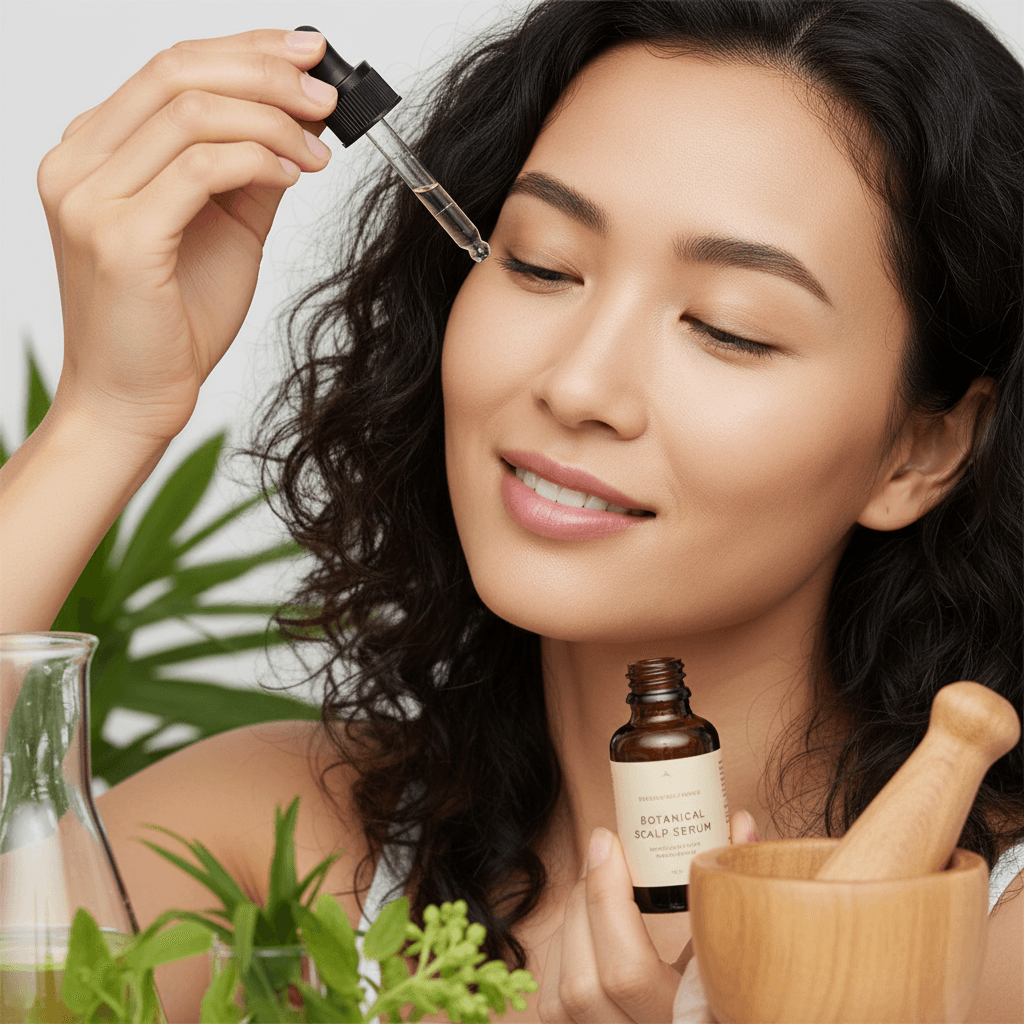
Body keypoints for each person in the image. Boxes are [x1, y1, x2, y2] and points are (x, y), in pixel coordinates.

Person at [1, 1, 1021, 1020]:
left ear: (920, 449)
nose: (577, 385)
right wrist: (104, 417)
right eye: (539, 263)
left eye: (727, 327)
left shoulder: (990, 940)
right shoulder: (276, 858)